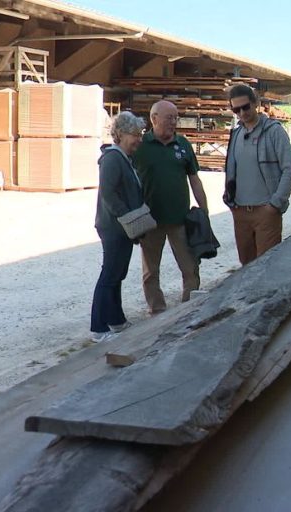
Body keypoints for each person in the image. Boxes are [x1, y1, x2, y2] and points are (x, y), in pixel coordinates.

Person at [133, 100, 209, 315]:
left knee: (190, 268)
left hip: (181, 220)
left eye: (176, 117)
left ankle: (189, 310)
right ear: (154, 118)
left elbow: (195, 180)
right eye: (169, 118)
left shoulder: (183, 144)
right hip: (150, 222)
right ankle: (157, 311)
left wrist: (204, 210)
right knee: (150, 272)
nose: (174, 122)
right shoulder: (140, 146)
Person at [223, 84, 291, 265]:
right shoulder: (236, 134)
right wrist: (230, 201)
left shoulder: (274, 131)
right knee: (246, 266)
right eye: (236, 110)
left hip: (266, 212)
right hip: (240, 212)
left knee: (267, 267)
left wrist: (274, 204)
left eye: (245, 107)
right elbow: (231, 170)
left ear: (255, 103)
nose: (242, 113)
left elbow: (290, 169)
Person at [90, 111, 147, 342]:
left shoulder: (124, 158)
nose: (139, 140)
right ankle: (98, 328)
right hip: (114, 226)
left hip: (122, 227)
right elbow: (109, 194)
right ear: (121, 134)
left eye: (140, 135)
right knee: (110, 274)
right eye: (135, 135)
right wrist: (128, 217)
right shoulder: (112, 159)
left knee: (118, 273)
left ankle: (116, 320)